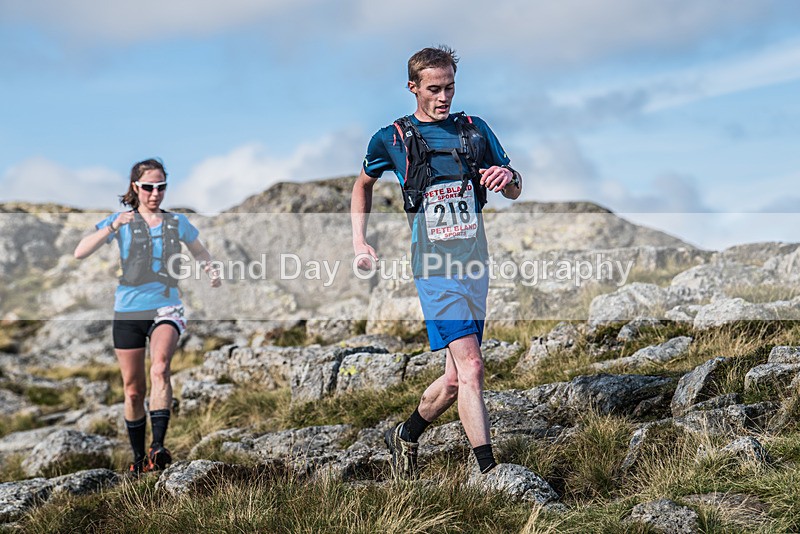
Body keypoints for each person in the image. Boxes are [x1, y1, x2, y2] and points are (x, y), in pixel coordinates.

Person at [351, 46, 522, 478]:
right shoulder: (389, 138)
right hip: (433, 268)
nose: (443, 96)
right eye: (434, 89)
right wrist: (360, 241)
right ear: (413, 88)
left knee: (452, 381)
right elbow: (362, 185)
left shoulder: (475, 130)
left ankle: (405, 435)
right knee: (473, 367)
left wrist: (509, 179)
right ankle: (489, 472)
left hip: (474, 266)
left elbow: (515, 184)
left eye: (449, 87)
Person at [74, 158, 221, 474]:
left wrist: (211, 268)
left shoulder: (177, 222)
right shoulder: (120, 221)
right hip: (128, 311)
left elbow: (200, 250)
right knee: (132, 390)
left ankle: (158, 446)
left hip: (166, 307)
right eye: (148, 187)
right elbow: (80, 251)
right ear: (135, 188)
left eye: (161, 186)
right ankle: (139, 459)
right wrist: (113, 226)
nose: (156, 193)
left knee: (161, 368)